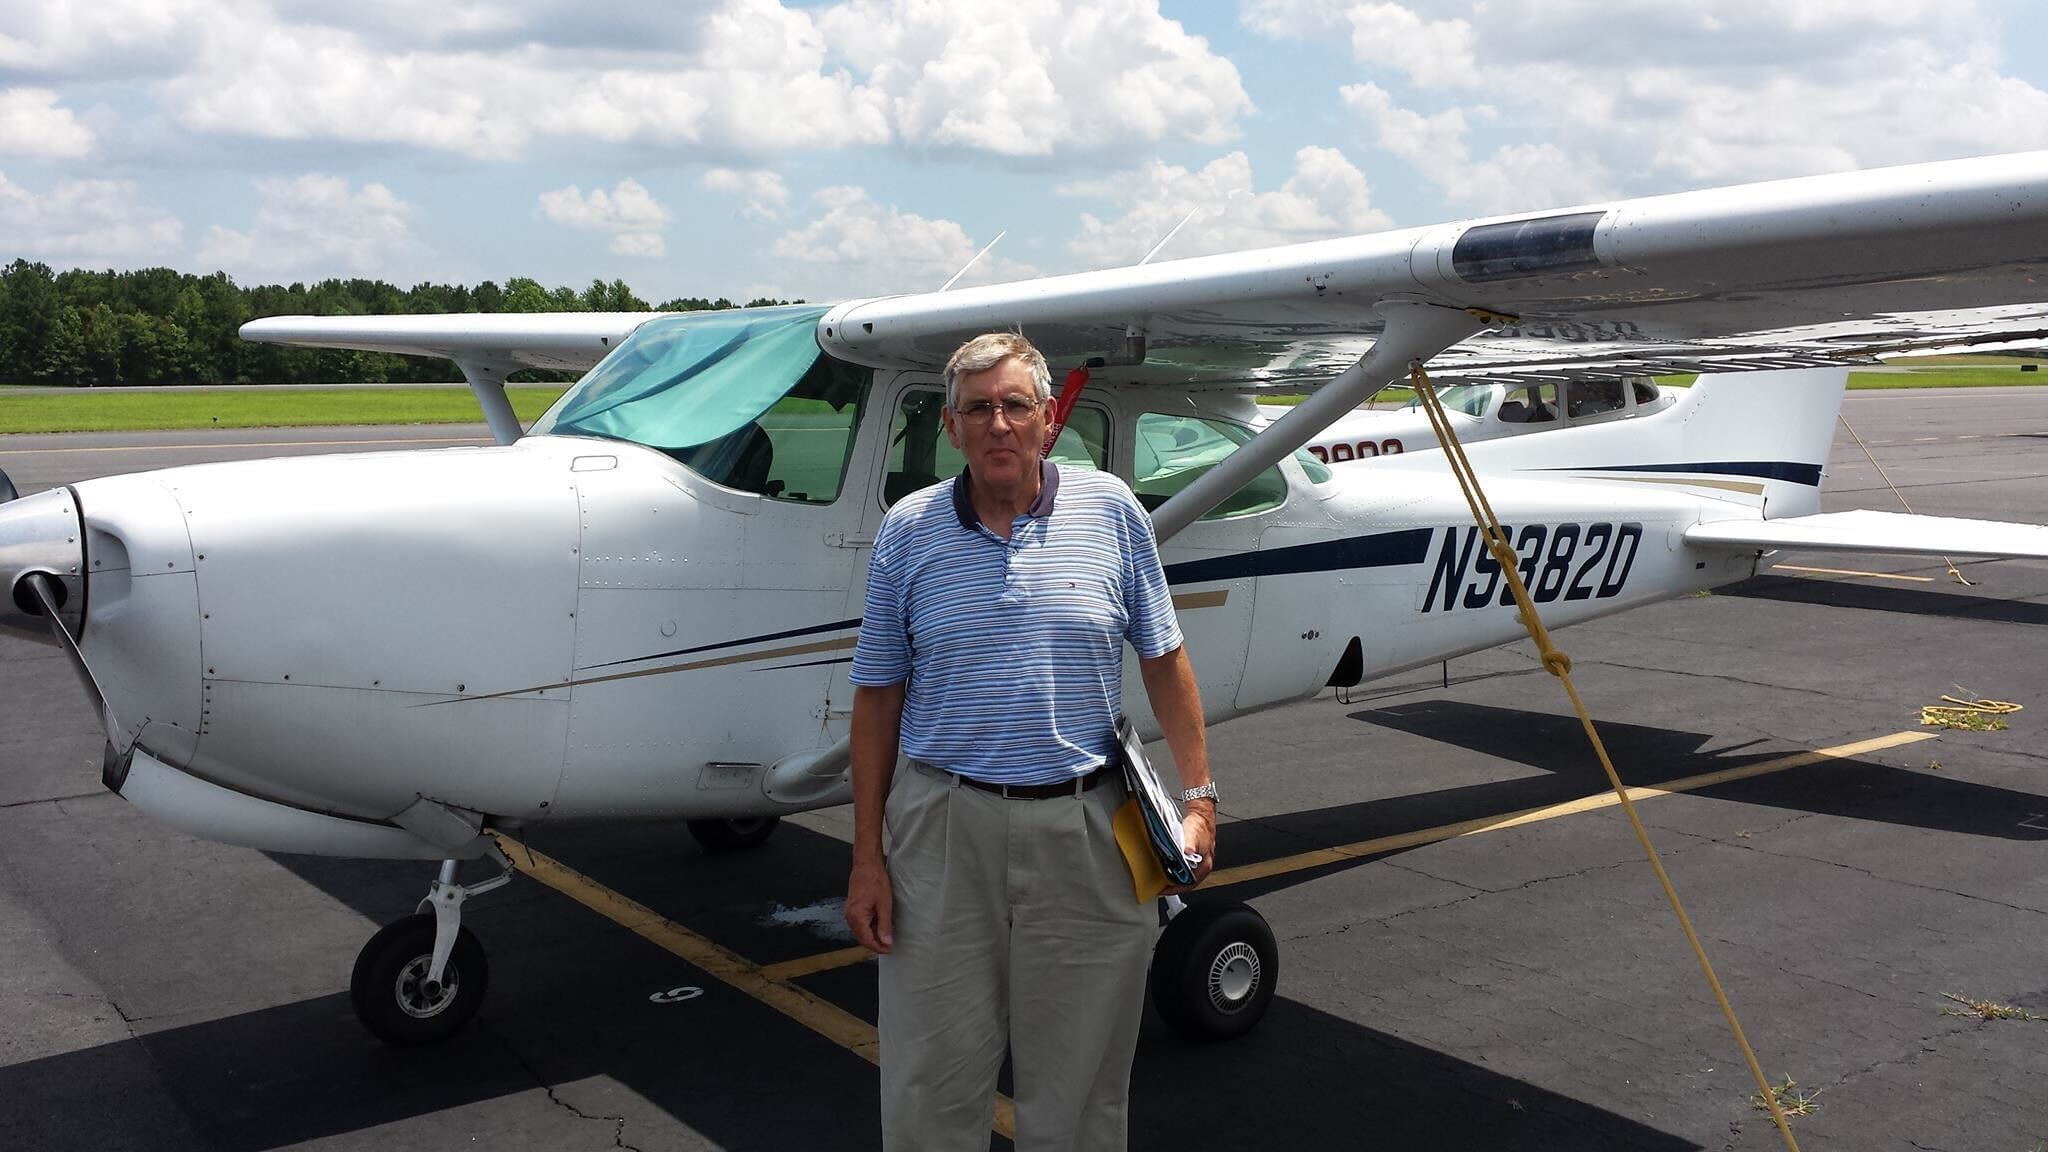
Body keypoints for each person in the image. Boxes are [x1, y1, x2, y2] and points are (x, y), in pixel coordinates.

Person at [844, 331, 1216, 1152]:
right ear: (952, 427)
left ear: (1050, 420)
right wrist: (867, 856)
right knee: (927, 1087)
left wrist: (1198, 798)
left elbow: (1164, 657)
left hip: (1086, 827)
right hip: (942, 828)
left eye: (1016, 406)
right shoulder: (908, 531)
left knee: (1081, 1095)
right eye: (978, 409)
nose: (998, 424)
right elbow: (876, 700)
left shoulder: (1113, 510)